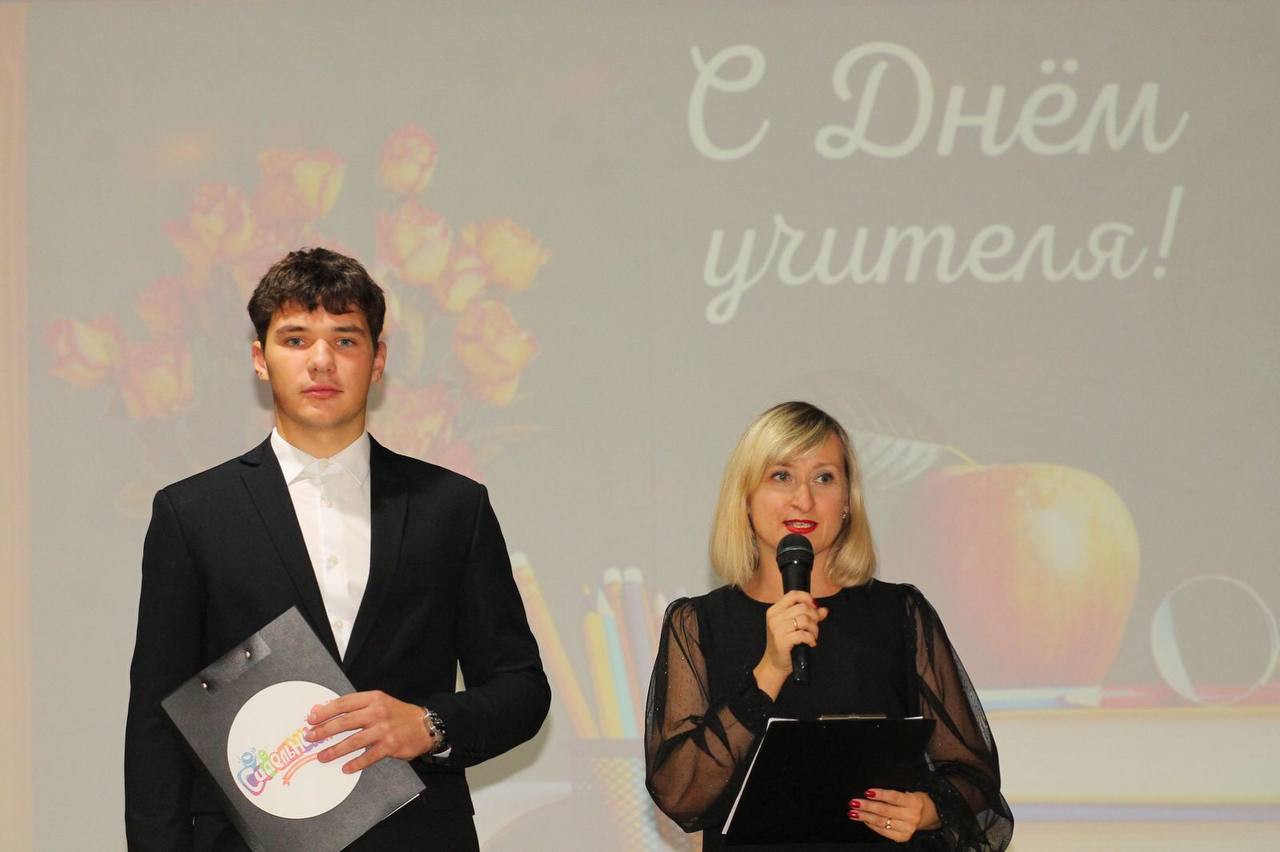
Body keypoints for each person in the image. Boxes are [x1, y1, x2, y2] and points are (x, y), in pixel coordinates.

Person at [124, 247, 550, 851]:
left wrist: (429, 724)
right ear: (260, 359)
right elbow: (157, 722)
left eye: (346, 340)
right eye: (295, 339)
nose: (321, 361)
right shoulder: (192, 513)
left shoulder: (453, 506)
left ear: (378, 361)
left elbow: (521, 687)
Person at [644, 401, 1012, 850]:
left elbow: (972, 771)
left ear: (847, 502)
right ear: (745, 498)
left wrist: (927, 809)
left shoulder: (899, 612)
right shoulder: (698, 623)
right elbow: (679, 794)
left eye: (824, 478)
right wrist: (769, 671)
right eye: (781, 476)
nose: (804, 499)